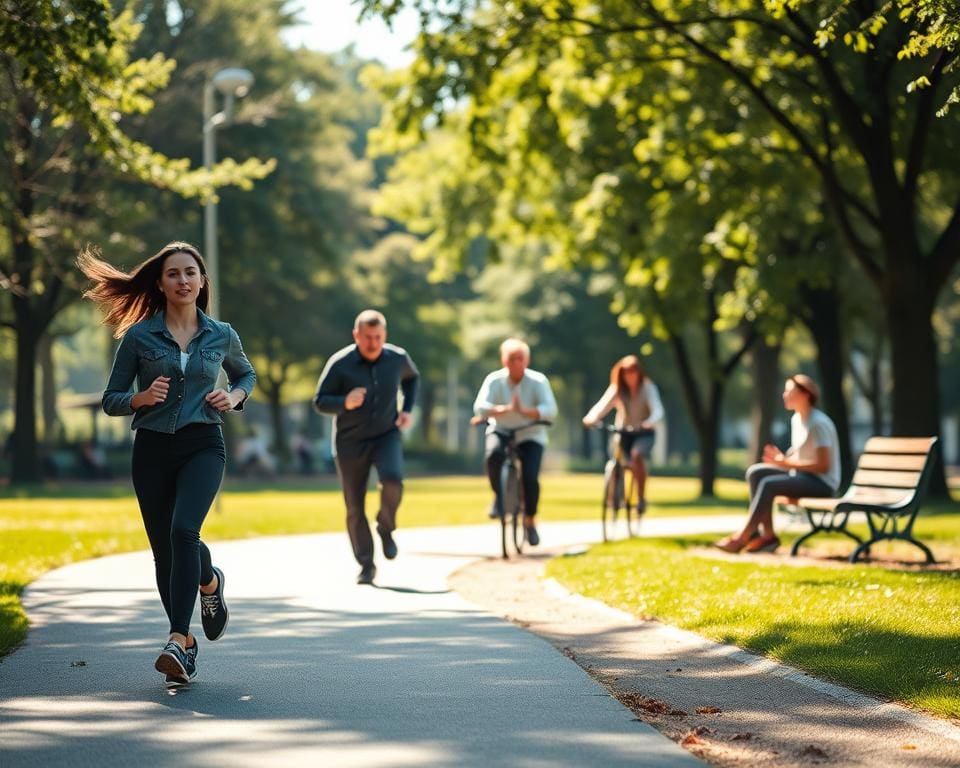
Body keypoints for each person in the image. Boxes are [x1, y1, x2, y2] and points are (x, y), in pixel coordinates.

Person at [79, 241, 256, 686]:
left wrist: (233, 397)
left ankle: (180, 641)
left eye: (190, 273)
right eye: (173, 273)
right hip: (153, 449)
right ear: (160, 282)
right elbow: (110, 399)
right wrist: (139, 398)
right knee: (165, 550)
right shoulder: (139, 337)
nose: (183, 280)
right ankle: (208, 582)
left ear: (202, 281)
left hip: (202, 444)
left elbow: (245, 374)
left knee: (183, 531)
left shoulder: (222, 333)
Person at [313, 310, 419, 585]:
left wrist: (406, 409)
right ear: (356, 335)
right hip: (349, 442)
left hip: (386, 435)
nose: (373, 343)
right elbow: (320, 400)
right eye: (367, 337)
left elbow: (412, 378)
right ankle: (366, 565)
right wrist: (344, 402)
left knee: (393, 481)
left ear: (385, 336)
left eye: (378, 337)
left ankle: (386, 527)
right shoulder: (340, 363)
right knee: (354, 505)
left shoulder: (397, 358)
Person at [715, 374, 841, 554]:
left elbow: (823, 466)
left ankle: (743, 536)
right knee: (756, 473)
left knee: (769, 484)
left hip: (822, 484)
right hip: (802, 477)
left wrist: (787, 463)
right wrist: (781, 460)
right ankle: (767, 536)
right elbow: (800, 453)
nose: (784, 395)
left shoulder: (819, 424)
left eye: (789, 391)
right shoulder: (797, 419)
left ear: (805, 394)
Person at [473, 338, 558, 546]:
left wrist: (526, 412)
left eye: (520, 359)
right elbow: (480, 407)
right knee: (493, 455)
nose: (516, 363)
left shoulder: (538, 381)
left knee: (530, 477)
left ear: (527, 360)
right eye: (512, 359)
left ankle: (529, 520)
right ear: (504, 360)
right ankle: (498, 497)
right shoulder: (494, 380)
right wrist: (504, 410)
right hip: (501, 430)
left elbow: (551, 411)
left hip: (530, 434)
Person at [582, 355, 664, 513]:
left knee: (636, 455)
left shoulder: (648, 388)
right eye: (626, 373)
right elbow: (602, 406)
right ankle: (613, 497)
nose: (630, 376)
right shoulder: (617, 388)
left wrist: (650, 422)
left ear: (639, 373)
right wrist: (591, 418)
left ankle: (640, 498)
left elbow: (658, 410)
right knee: (616, 460)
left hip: (643, 432)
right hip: (624, 431)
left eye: (633, 372)